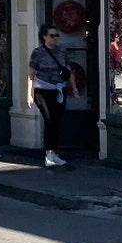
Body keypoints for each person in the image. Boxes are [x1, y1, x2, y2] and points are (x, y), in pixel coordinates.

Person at [27, 24, 69, 168]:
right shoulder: (38, 53)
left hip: (59, 90)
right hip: (43, 90)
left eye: (56, 35)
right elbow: (31, 75)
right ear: (44, 36)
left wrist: (74, 89)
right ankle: (48, 154)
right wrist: (29, 95)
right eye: (52, 35)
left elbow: (68, 70)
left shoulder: (62, 51)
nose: (55, 38)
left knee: (57, 121)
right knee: (49, 120)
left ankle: (54, 153)